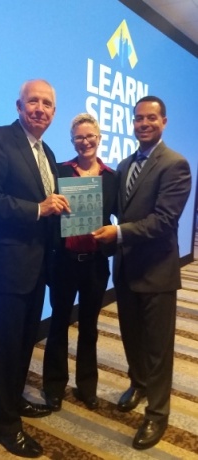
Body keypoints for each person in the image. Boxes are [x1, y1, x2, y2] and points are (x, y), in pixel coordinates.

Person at [0, 79, 70, 458]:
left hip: (36, 269)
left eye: (47, 103)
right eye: (33, 101)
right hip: (4, 269)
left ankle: (13, 401)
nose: (40, 108)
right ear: (18, 105)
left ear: (54, 113)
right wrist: (38, 209)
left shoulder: (47, 152)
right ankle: (5, 425)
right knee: (4, 348)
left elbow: (51, 208)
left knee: (24, 344)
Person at [93, 96, 191, 450]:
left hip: (157, 272)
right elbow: (117, 207)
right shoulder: (124, 164)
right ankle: (138, 383)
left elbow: (164, 222)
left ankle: (157, 414)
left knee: (158, 348)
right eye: (138, 119)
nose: (143, 124)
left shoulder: (175, 164)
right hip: (127, 268)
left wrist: (117, 233)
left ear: (163, 122)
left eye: (151, 118)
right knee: (131, 337)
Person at [42, 113, 119, 411]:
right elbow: (48, 213)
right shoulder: (59, 171)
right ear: (72, 140)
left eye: (90, 136)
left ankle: (87, 386)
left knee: (89, 326)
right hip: (64, 262)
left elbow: (116, 219)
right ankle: (54, 387)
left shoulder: (111, 177)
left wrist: (113, 235)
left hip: (95, 265)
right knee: (58, 324)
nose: (85, 142)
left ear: (99, 139)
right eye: (79, 137)